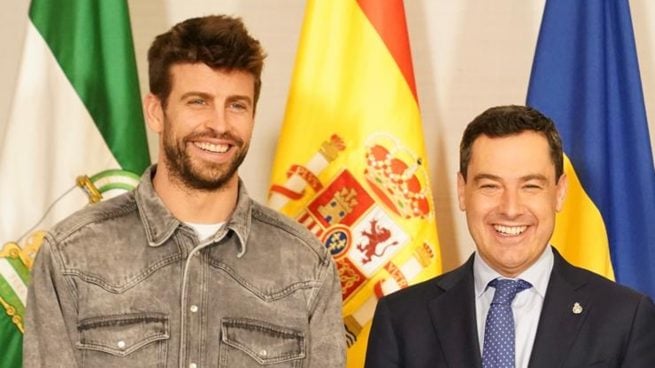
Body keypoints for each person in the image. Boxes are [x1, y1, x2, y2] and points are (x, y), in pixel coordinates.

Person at [24, 15, 345, 368]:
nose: (220, 125)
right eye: (198, 102)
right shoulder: (71, 255)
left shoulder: (306, 266)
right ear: (155, 112)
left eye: (237, 105)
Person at [364, 105, 655, 368]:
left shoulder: (624, 317)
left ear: (560, 192)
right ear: (462, 190)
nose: (511, 209)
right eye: (490, 186)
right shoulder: (402, 318)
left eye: (530, 186)